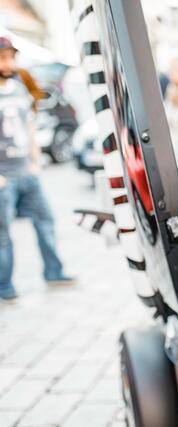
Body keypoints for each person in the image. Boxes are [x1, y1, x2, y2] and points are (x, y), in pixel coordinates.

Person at [0, 37, 75, 302]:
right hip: (3, 176)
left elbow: (29, 125)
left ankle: (54, 272)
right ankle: (4, 286)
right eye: (3, 58)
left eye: (10, 57)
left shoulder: (20, 87)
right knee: (3, 235)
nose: (8, 63)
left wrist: (35, 160)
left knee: (45, 220)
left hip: (26, 171)